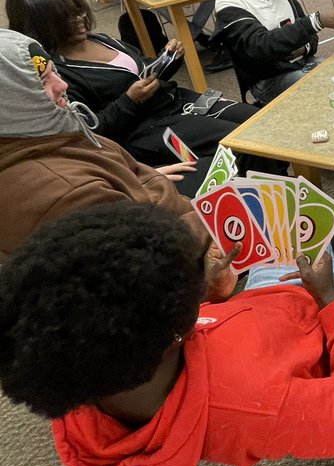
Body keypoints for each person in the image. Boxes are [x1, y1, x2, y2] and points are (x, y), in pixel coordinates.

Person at [0, 200, 334, 466]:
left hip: (265, 305)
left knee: (294, 228)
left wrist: (209, 296)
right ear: (173, 332)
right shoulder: (255, 405)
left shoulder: (98, 373)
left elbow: (156, 334)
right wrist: (331, 303)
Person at [0, 28, 236, 303]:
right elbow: (152, 260)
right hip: (164, 285)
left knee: (218, 166)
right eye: (43, 80)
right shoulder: (61, 189)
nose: (61, 84)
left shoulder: (48, 131)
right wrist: (218, 217)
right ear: (11, 103)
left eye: (55, 71)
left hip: (153, 226)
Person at [5, 0, 262, 170]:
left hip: (174, 100)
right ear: (43, 26)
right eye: (67, 18)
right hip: (146, 129)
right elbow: (93, 131)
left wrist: (168, 59)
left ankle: (275, 178)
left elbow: (142, 70)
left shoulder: (101, 38)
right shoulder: (58, 75)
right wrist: (130, 100)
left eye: (79, 10)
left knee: (259, 123)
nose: (80, 19)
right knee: (242, 146)